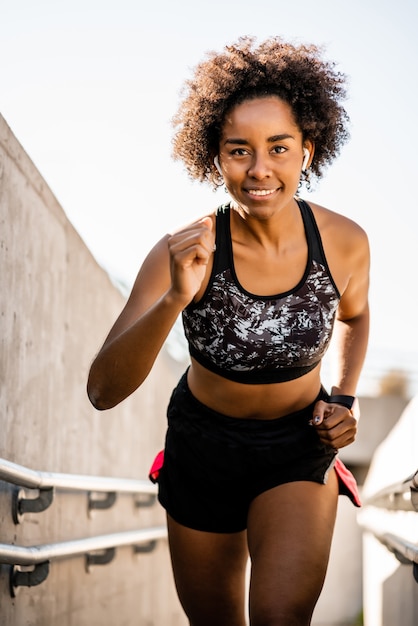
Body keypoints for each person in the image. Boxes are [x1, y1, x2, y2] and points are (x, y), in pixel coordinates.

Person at [87, 36, 370, 626]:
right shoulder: (183, 250)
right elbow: (102, 390)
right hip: (202, 448)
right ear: (215, 157)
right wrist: (175, 296)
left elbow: (355, 315)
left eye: (279, 147)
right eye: (239, 150)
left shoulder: (344, 242)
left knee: (278, 615)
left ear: (307, 151)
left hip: (299, 446)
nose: (260, 169)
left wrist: (343, 398)